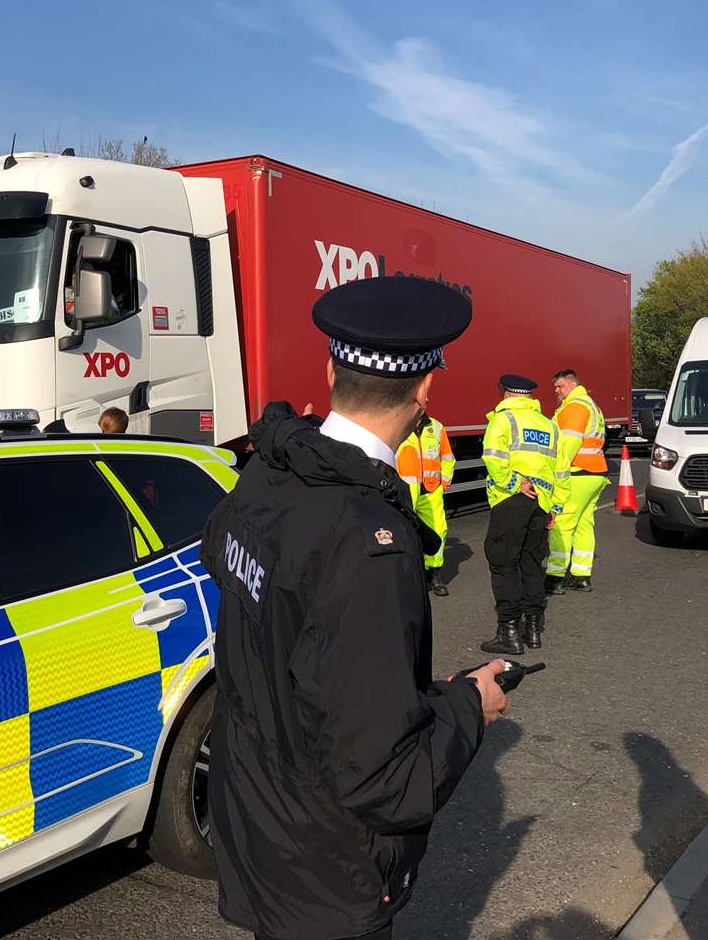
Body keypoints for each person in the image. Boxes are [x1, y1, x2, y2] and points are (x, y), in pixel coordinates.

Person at [202, 275, 509, 940]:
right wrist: (467, 707)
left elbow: (226, 558)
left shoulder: (274, 468)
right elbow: (384, 779)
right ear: (425, 389)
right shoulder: (370, 540)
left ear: (330, 368)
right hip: (326, 872)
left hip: (259, 820)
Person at [480, 375, 560, 652]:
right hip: (542, 504)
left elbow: (492, 457)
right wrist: (554, 508)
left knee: (503, 563)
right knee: (532, 563)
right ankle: (533, 629)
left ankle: (509, 634)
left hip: (511, 500)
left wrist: (514, 483)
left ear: (505, 393)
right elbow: (560, 471)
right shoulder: (549, 424)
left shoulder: (503, 419)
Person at [546, 368, 609, 594]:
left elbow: (567, 448)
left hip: (578, 472)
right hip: (595, 473)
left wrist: (555, 476)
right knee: (584, 525)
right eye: (555, 387)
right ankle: (582, 575)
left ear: (572, 385)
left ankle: (555, 577)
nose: (556, 391)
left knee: (562, 524)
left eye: (560, 386)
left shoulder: (574, 407)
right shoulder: (591, 405)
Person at [397, 409, 456, 596]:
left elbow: (447, 458)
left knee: (438, 530)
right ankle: (412, 575)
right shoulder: (397, 425)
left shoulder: (436, 428)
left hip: (431, 492)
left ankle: (435, 574)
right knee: (406, 533)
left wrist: (443, 483)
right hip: (406, 491)